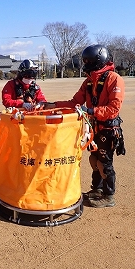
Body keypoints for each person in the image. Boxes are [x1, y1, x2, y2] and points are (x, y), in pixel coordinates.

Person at [53, 44, 125, 208]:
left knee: (104, 162)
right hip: (93, 129)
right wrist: (53, 105)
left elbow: (113, 109)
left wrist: (90, 110)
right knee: (94, 160)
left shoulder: (114, 79)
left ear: (98, 61)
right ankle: (97, 190)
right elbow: (74, 102)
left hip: (108, 128)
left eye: (89, 61)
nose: (86, 64)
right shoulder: (88, 82)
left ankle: (108, 195)